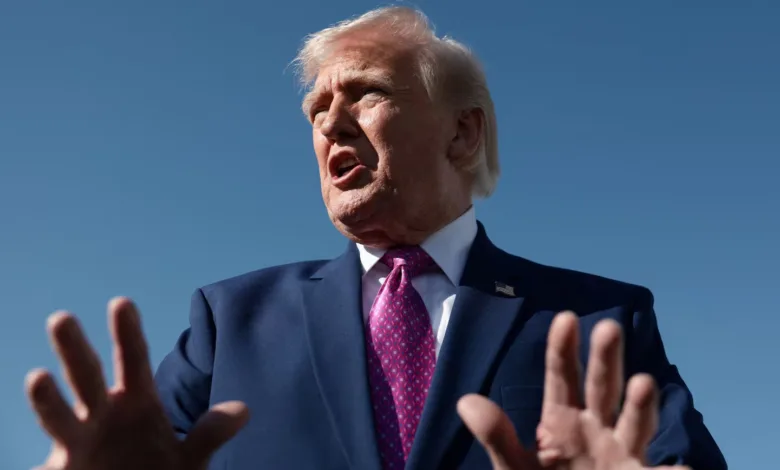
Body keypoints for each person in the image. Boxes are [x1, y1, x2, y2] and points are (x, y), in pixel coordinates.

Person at [25, 6, 726, 470]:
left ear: (462, 131)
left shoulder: (598, 319)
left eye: (364, 92)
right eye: (315, 110)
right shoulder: (229, 320)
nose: (329, 123)